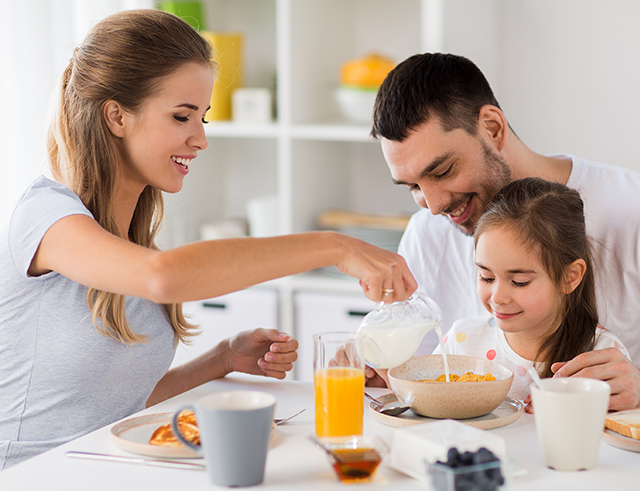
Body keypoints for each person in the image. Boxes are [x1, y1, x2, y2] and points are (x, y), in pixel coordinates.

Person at [0, 10, 416, 470]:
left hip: (104, 467)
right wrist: (337, 246)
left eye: (203, 118)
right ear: (116, 116)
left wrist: (221, 360)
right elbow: (165, 278)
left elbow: (111, 406)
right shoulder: (46, 216)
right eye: (182, 116)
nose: (199, 139)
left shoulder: (128, 243)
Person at [368, 52, 640, 411]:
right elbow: (411, 379)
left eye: (443, 171)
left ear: (492, 128)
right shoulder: (426, 233)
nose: (433, 206)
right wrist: (376, 372)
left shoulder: (630, 209)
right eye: (412, 187)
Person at [431, 178, 630, 412]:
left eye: (519, 282)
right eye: (486, 277)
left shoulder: (602, 357)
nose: (498, 297)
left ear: (570, 277)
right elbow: (422, 403)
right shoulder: (461, 342)